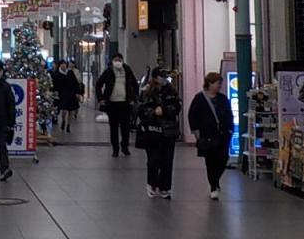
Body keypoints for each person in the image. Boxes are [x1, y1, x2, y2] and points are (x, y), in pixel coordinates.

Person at [188, 71, 235, 199]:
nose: (219, 86)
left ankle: (215, 180)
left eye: (220, 83)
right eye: (217, 83)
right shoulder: (199, 99)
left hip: (223, 134)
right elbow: (193, 115)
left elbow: (229, 114)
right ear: (209, 83)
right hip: (207, 135)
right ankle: (214, 185)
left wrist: (230, 129)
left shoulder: (223, 99)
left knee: (223, 158)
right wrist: (196, 132)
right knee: (210, 161)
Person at [136, 67, 182, 198]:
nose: (164, 79)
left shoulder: (171, 91)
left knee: (167, 160)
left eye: (165, 76)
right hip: (152, 131)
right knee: (153, 159)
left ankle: (165, 187)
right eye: (162, 76)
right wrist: (153, 112)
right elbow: (140, 109)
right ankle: (152, 184)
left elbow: (177, 106)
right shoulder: (147, 92)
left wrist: (165, 110)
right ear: (155, 77)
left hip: (168, 130)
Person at [95, 53, 138, 157]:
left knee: (125, 127)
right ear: (112, 61)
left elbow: (135, 84)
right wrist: (101, 99)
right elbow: (98, 84)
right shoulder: (108, 71)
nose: (118, 62)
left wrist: (134, 98)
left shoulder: (127, 70)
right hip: (112, 103)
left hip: (125, 103)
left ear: (122, 61)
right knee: (113, 128)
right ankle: (115, 149)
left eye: (119, 60)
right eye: (116, 60)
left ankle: (125, 147)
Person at [52, 60, 81, 132]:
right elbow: (55, 85)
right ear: (60, 65)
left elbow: (75, 83)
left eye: (64, 64)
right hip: (63, 94)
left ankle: (68, 125)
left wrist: (77, 92)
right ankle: (63, 121)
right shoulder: (57, 74)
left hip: (71, 93)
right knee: (64, 110)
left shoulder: (70, 72)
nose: (63, 65)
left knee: (70, 110)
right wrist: (54, 92)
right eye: (62, 64)